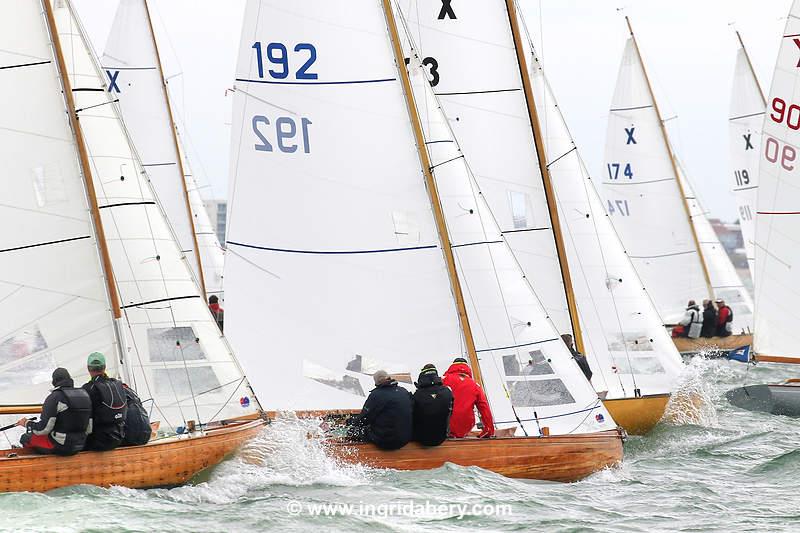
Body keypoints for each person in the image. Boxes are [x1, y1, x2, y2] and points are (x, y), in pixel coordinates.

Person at [15, 368, 92, 456]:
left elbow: (44, 429)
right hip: (81, 444)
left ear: (54, 382)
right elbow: (89, 428)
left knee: (25, 438)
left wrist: (26, 423)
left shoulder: (55, 397)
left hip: (61, 446)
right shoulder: (85, 395)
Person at [347, 370, 413, 450]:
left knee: (354, 431)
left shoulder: (376, 395)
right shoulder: (403, 391)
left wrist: (350, 423)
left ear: (376, 382)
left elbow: (364, 418)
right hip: (405, 438)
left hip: (386, 441)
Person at [82, 352, 127, 451]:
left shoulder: (88, 388)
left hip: (98, 441)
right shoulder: (117, 384)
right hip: (119, 438)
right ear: (105, 367)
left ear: (88, 368)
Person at [442, 357, 494, 438]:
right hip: (466, 426)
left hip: (445, 426)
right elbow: (484, 408)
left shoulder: (443, 380)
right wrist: (489, 430)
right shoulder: (475, 385)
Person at [411, 364, 453, 447]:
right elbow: (450, 413)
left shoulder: (417, 394)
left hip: (421, 438)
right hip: (441, 438)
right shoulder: (447, 392)